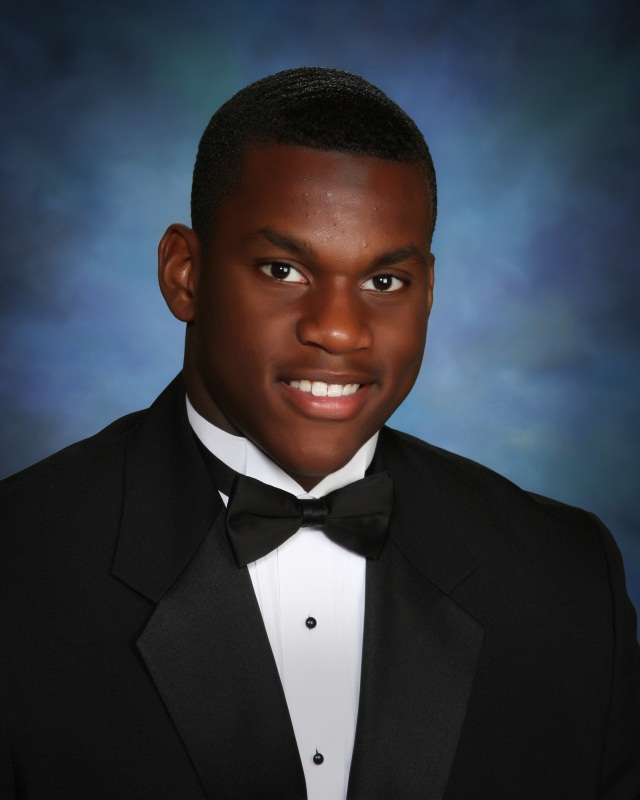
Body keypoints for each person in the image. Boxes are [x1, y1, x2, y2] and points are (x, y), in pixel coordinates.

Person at [1, 67, 638, 800]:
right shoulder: (20, 569)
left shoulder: (565, 580)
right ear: (184, 274)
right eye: (284, 269)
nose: (338, 330)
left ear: (429, 291)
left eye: (384, 282)